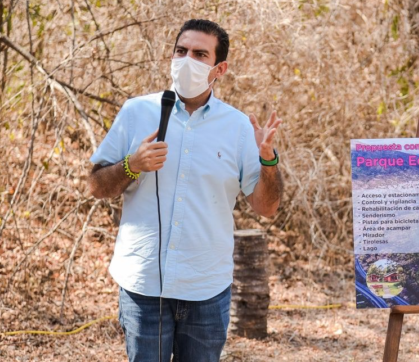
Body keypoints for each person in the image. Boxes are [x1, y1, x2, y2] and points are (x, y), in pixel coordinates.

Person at [87, 19, 283, 362]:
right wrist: (132, 165)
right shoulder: (138, 111)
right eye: (181, 50)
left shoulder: (237, 126)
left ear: (219, 68)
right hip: (144, 285)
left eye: (199, 54)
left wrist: (267, 161)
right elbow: (96, 186)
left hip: (206, 288)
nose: (186, 59)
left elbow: (266, 207)